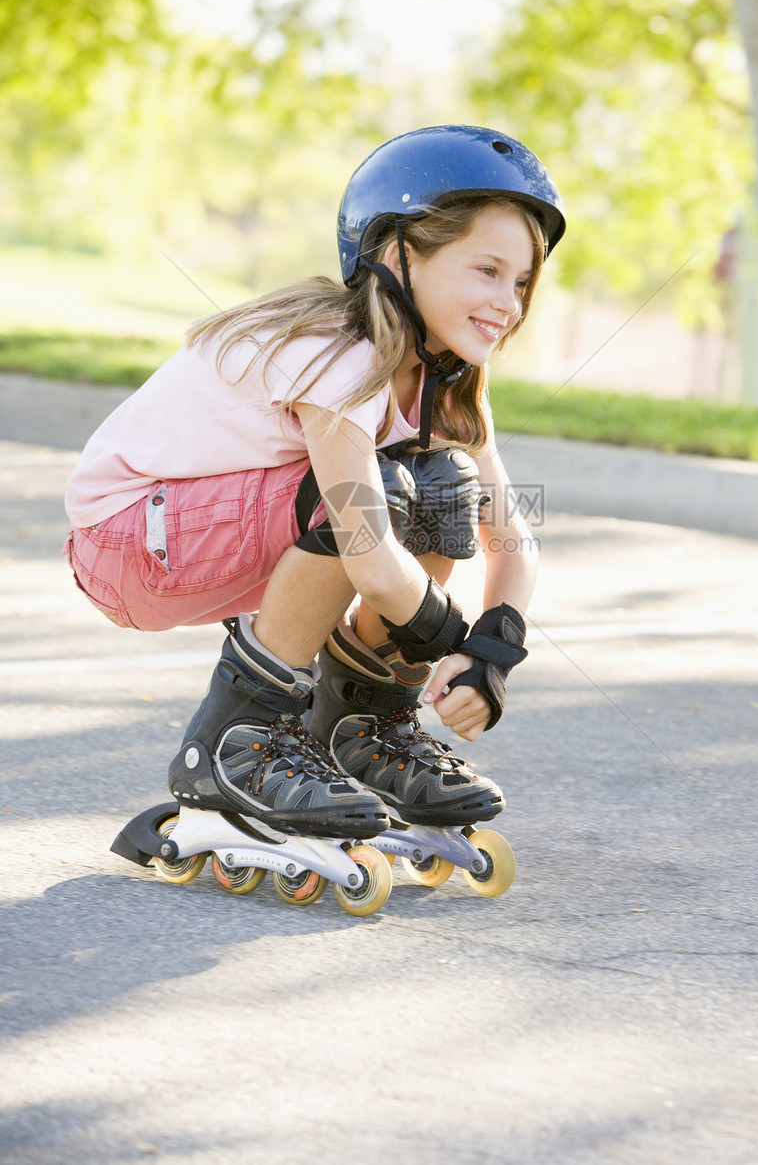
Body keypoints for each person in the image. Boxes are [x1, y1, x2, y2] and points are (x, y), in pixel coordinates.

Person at [63, 124, 566, 849]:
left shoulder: (448, 385)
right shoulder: (340, 353)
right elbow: (365, 551)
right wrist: (453, 639)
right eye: (486, 271)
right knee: (371, 500)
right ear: (398, 254)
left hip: (211, 541)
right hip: (128, 544)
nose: (509, 303)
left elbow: (511, 540)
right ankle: (237, 741)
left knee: (443, 485)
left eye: (521, 282)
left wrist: (492, 655)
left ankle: (362, 721)